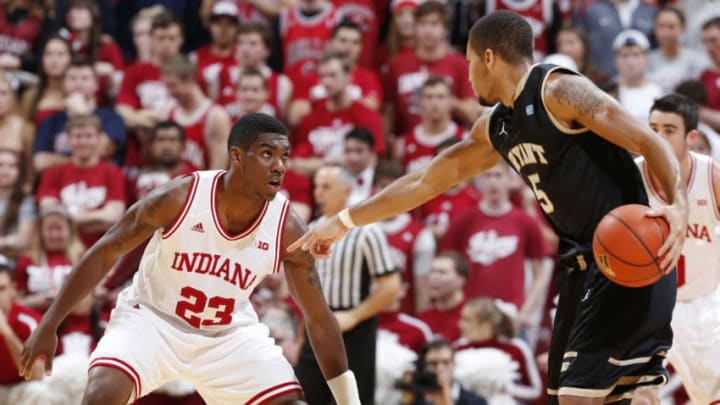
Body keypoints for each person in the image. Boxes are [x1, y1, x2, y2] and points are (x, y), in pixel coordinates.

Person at [290, 10, 688, 404]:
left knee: (578, 399)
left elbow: (647, 141)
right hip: (579, 271)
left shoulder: (558, 91)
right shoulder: (496, 126)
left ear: (489, 58)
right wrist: (344, 221)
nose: (466, 76)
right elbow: (423, 181)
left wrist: (678, 206)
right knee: (596, 398)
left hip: (625, 257)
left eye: (468, 62)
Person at [19, 113, 361, 404]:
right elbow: (106, 249)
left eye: (285, 156)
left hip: (227, 336)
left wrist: (350, 400)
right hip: (152, 320)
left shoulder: (287, 227)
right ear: (238, 157)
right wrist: (50, 323)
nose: (279, 166)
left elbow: (318, 318)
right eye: (267, 154)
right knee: (101, 396)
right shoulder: (180, 197)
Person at [637, 94, 720, 405]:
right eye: (653, 128)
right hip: (646, 303)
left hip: (703, 304)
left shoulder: (712, 175)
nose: (657, 137)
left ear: (691, 137)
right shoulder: (631, 178)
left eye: (669, 130)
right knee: (638, 397)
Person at [295, 164, 400, 405]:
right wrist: (301, 334)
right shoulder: (311, 229)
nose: (318, 193)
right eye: (316, 186)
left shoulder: (367, 231)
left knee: (356, 401)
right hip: (318, 327)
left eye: (326, 187)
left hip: (356, 332)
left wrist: (353, 316)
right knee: (303, 398)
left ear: (347, 190)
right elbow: (309, 289)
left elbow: (391, 286)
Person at [36, 114, 126, 248]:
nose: (83, 142)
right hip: (65, 250)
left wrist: (68, 221)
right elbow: (50, 215)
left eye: (88, 136)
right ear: (68, 139)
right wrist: (97, 219)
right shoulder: (53, 173)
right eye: (78, 136)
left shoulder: (114, 173)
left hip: (102, 248)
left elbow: (113, 216)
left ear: (99, 138)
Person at [454, 297, 542, 403]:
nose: (460, 324)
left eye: (467, 320)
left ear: (487, 324)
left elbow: (535, 391)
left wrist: (507, 389)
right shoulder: (458, 348)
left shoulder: (516, 347)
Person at [0, 255, 43, 403]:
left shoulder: (29, 321)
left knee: (38, 392)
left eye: (1, 289)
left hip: (21, 388)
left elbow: (37, 374)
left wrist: (6, 332)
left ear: (13, 289)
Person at [401, 339, 487, 405]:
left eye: (446, 362)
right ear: (424, 365)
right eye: (433, 363)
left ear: (454, 364)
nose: (440, 368)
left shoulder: (476, 401)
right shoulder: (415, 398)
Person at [417, 251, 469, 342]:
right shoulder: (422, 320)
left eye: (442, 272)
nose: (434, 277)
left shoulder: (472, 316)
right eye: (432, 271)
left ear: (460, 280)